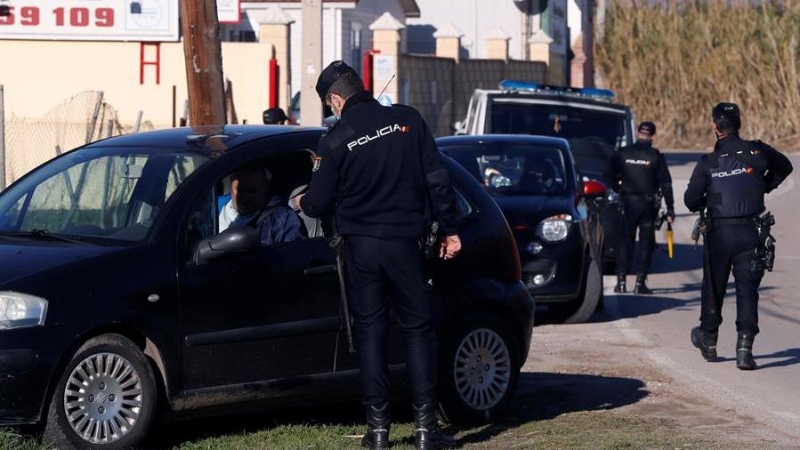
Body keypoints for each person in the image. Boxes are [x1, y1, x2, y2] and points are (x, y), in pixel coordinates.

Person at [294, 60, 461, 450]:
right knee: (418, 332)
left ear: (336, 99)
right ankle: (425, 430)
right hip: (407, 243)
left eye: (329, 105)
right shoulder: (408, 121)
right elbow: (438, 180)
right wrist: (451, 229)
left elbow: (318, 203)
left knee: (371, 333)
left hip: (362, 248)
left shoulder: (336, 139)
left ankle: (379, 431)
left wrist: (302, 199)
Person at [684, 102, 793, 370]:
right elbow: (785, 167)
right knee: (747, 290)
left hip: (719, 233)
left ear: (714, 126)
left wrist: (713, 198)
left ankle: (709, 340)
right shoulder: (758, 151)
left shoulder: (708, 163)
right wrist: (761, 188)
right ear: (739, 124)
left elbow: (690, 200)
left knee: (714, 287)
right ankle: (745, 349)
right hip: (751, 232)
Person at [604, 121, 675, 294]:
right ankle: (639, 283)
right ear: (652, 136)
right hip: (647, 205)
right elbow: (666, 183)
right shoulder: (655, 156)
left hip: (627, 203)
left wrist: (618, 188)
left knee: (624, 242)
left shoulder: (622, 153)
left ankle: (621, 283)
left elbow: (607, 175)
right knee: (645, 243)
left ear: (637, 133)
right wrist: (670, 208)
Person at [219, 165, 307, 245]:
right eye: (240, 190)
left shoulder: (282, 219)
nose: (245, 197)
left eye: (252, 191)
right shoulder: (214, 207)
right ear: (231, 187)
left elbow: (294, 256)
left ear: (265, 189)